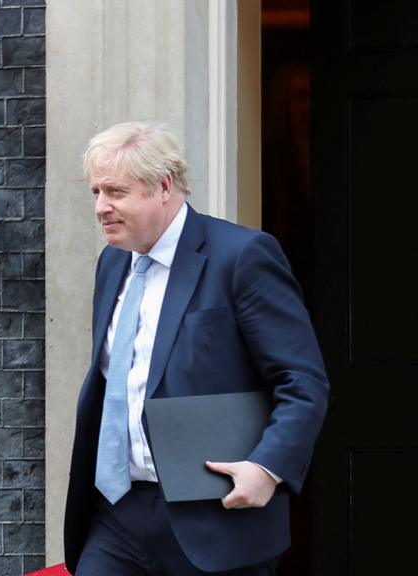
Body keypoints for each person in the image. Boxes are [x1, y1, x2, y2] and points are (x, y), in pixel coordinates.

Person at [63, 122, 329, 575]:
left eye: (116, 191)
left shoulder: (243, 256)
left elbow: (302, 382)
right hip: (116, 515)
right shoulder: (112, 263)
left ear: (164, 186)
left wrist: (267, 468)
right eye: (95, 192)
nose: (101, 207)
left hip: (215, 521)